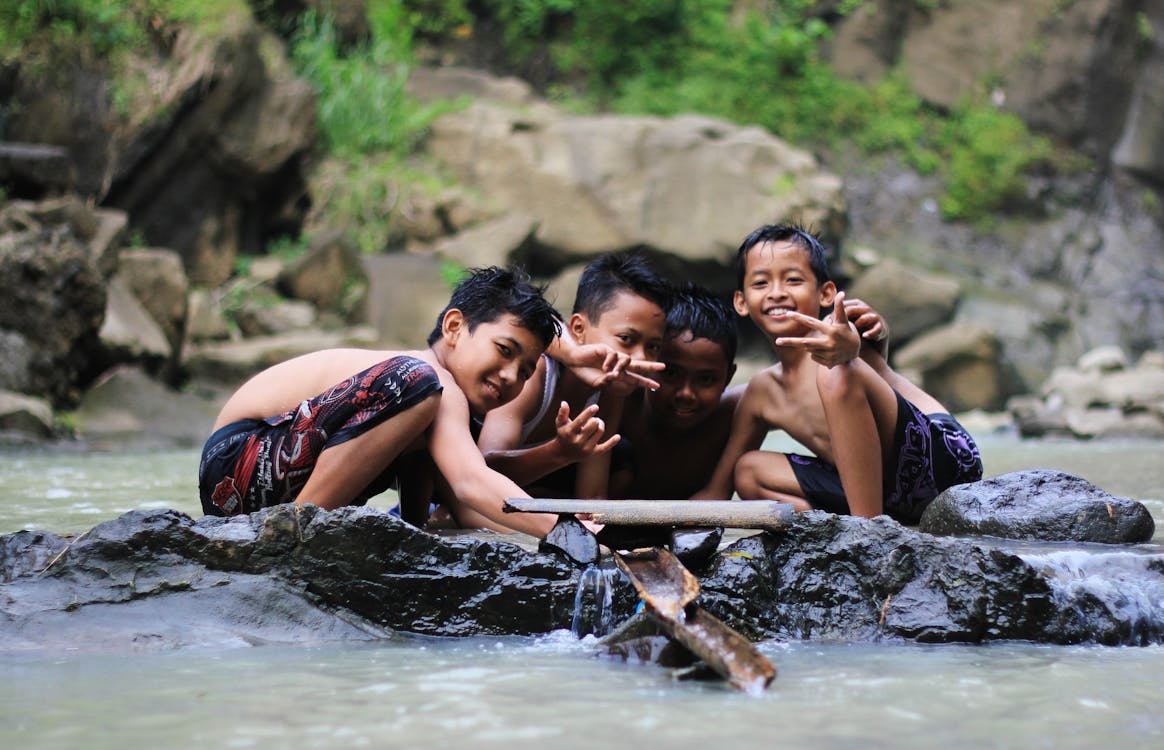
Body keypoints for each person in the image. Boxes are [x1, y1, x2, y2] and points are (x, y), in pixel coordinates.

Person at [197, 266, 563, 537]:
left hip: (242, 478)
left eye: (527, 371)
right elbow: (472, 482)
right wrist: (564, 531)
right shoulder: (427, 377)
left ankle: (299, 529)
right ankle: (294, 536)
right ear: (453, 327)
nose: (511, 375)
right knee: (416, 382)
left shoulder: (442, 406)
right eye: (504, 350)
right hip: (240, 456)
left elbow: (467, 509)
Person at [694, 224, 982, 523]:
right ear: (740, 301)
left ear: (826, 293)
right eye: (761, 283)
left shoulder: (839, 332)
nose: (776, 293)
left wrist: (866, 335)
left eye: (793, 280)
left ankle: (867, 533)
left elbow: (858, 338)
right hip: (879, 491)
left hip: (943, 458)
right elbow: (719, 487)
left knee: (837, 370)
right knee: (748, 471)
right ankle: (835, 530)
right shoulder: (762, 392)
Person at [476, 252, 671, 498]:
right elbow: (481, 471)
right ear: (578, 328)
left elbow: (592, 498)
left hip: (531, 484)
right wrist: (558, 452)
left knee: (622, 461)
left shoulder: (610, 393)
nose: (640, 358)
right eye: (626, 339)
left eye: (652, 346)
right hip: (460, 488)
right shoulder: (535, 374)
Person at [607, 282, 744, 499]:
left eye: (706, 379)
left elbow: (785, 384)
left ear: (728, 377)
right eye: (671, 374)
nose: (686, 394)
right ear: (648, 360)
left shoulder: (736, 411)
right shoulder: (617, 401)